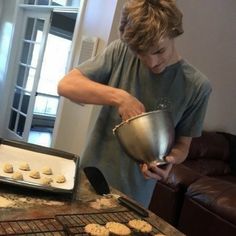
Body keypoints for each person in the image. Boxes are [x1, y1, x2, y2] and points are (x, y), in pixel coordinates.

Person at [57, 0, 212, 208]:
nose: (151, 62)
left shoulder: (197, 87)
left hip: (135, 195)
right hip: (89, 179)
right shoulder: (120, 52)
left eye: (158, 51)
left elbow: (183, 146)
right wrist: (120, 97)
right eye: (140, 53)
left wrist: (170, 160)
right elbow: (66, 85)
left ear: (174, 32)